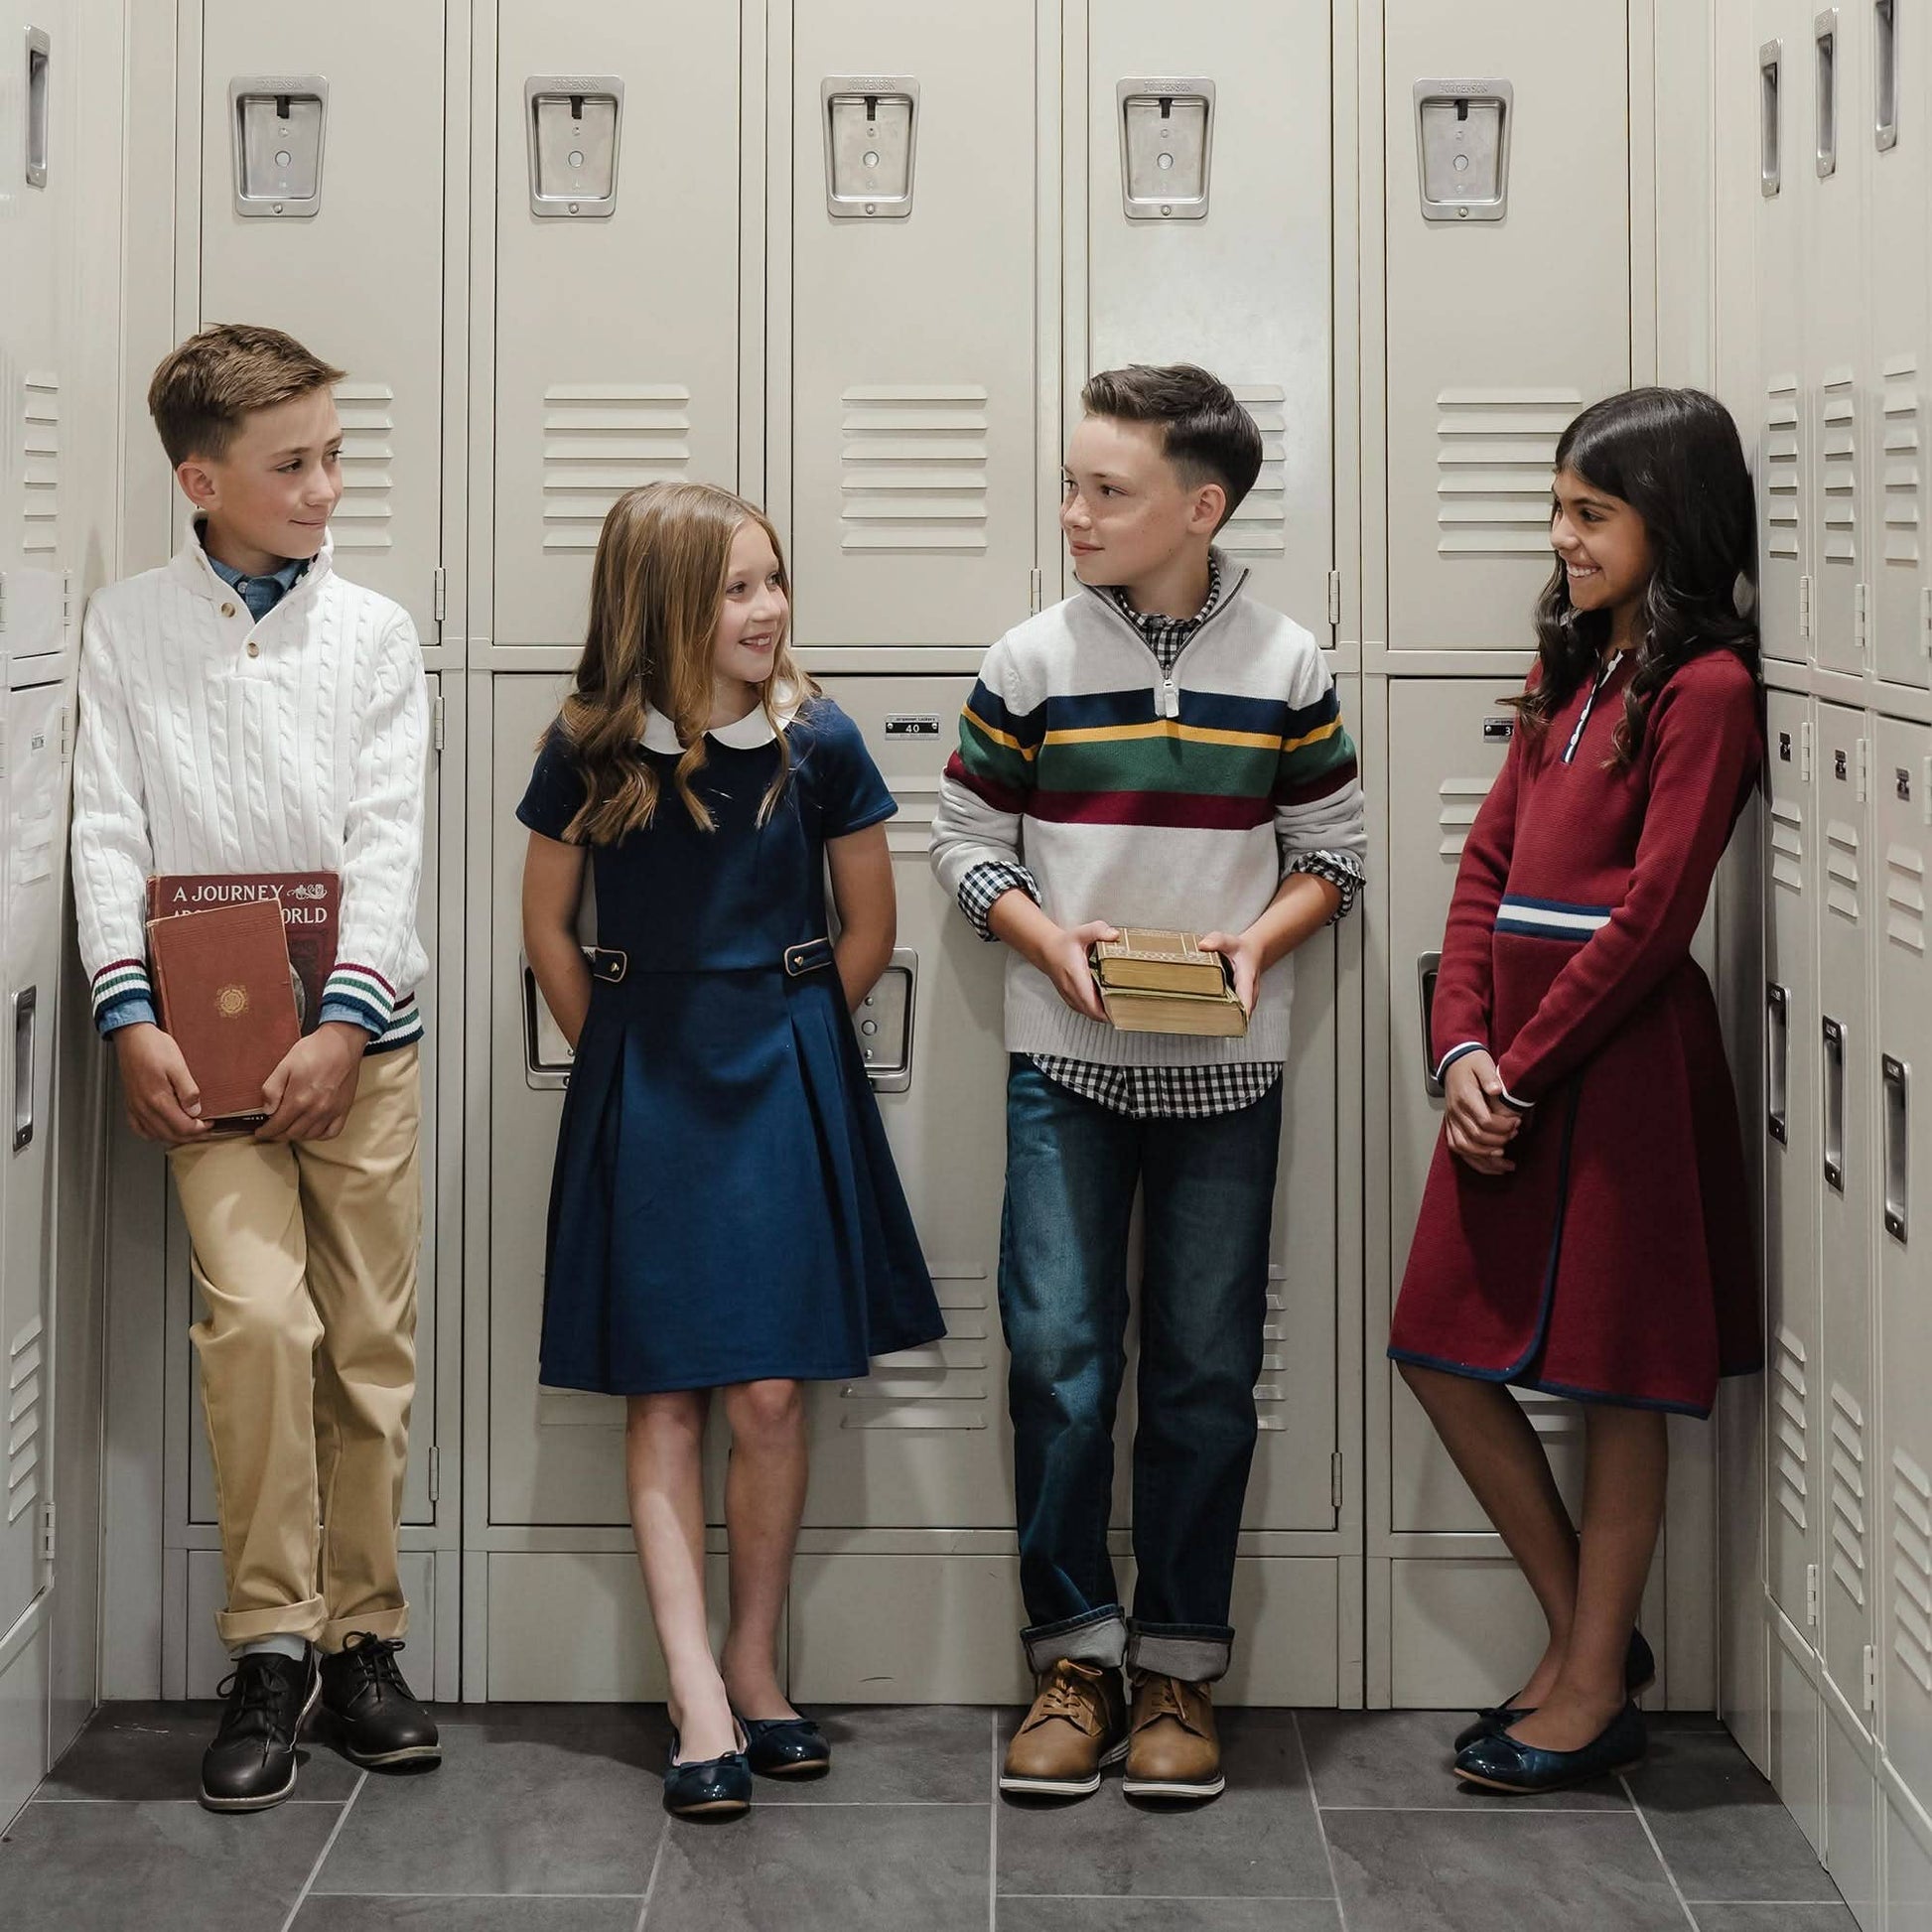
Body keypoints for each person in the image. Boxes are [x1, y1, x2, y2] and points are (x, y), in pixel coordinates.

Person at [929, 363, 1366, 1802]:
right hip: (1063, 1065)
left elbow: (1333, 854)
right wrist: (1048, 939)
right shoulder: (1027, 658)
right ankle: (1072, 1653)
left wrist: (1254, 944)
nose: (1073, 512)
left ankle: (1176, 1661)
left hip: (1227, 1073)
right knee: (1058, 1364)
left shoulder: (1289, 660)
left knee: (1201, 1376)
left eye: (1105, 491)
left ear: (1201, 505)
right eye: (1068, 483)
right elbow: (961, 837)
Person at [518, 481, 945, 1820]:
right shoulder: (590, 744)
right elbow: (547, 930)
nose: (764, 610)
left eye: (773, 581)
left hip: (781, 1069)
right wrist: (630, 1051)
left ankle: (757, 1664)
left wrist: (790, 1038)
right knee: (667, 1396)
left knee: (768, 1394)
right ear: (662, 608)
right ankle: (693, 1692)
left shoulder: (820, 740)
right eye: (735, 588)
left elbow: (866, 925)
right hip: (648, 1078)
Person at [69, 324, 438, 1810]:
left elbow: (388, 843)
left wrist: (346, 1020)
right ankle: (271, 1643)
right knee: (258, 1328)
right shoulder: (126, 625)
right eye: (294, 464)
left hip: (362, 1052)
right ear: (200, 478)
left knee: (365, 1348)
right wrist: (126, 1013)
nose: (327, 486)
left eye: (335, 455)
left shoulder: (371, 633)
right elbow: (107, 824)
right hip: (202, 1056)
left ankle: (365, 1640)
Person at [1389, 386, 1764, 1793]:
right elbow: (1484, 869)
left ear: (1668, 520)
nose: (1560, 540)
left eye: (1588, 514)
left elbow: (1655, 914)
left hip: (1618, 1068)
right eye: (1556, 510)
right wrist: (1460, 1048)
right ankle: (1588, 1637)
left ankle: (1591, 1679)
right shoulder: (1567, 667)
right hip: (1514, 1060)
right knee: (1438, 1347)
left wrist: (1524, 1073)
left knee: (1616, 1382)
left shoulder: (1704, 688)